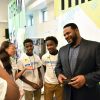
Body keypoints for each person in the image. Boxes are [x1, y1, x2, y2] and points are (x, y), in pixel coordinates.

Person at [55, 23, 100, 100]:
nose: (66, 36)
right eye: (64, 35)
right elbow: (58, 67)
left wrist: (85, 78)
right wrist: (59, 74)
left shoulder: (95, 47)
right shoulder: (62, 50)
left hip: (88, 95)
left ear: (76, 30)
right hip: (67, 94)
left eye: (68, 33)